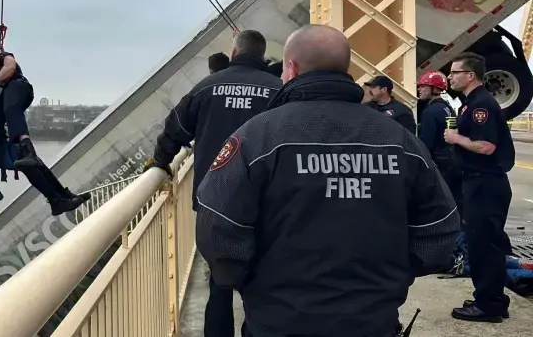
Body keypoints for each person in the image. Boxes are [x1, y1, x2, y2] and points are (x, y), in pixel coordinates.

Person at [195, 24, 460, 337]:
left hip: (279, 320)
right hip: (372, 321)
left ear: (291, 68)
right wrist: (390, 279)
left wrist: (250, 281)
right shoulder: (399, 140)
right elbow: (440, 228)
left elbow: (217, 223)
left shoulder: (257, 136)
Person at [146, 29, 282, 337]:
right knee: (263, 283)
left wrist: (160, 161)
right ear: (262, 57)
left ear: (233, 54)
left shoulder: (206, 87)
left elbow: (175, 129)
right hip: (267, 203)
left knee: (219, 285)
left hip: (214, 202)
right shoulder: (278, 89)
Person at [444, 52, 515, 323]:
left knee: (484, 245)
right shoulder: (470, 103)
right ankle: (492, 298)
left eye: (454, 72)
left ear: (470, 75)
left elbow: (486, 147)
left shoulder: (481, 106)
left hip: (485, 183)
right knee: (485, 243)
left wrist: (456, 137)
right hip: (479, 183)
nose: (450, 77)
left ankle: (488, 305)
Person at [0, 74, 88, 215]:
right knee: (29, 165)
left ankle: (63, 197)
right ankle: (55, 200)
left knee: (33, 164)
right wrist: (2, 83)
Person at [417, 70, 462, 214]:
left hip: (439, 164)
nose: (419, 89)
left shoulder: (430, 112)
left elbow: (426, 143)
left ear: (435, 89)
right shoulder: (448, 108)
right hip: (452, 160)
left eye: (423, 86)